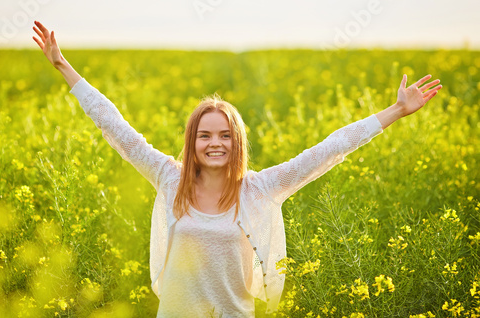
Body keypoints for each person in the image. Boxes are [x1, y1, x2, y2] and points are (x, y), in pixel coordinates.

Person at [32, 21, 442, 317]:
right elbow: (116, 128)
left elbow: (328, 150)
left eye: (225, 136)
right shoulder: (169, 178)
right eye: (205, 135)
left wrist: (395, 111)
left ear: (238, 142)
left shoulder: (261, 188)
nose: (215, 144)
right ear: (192, 141)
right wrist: (63, 67)